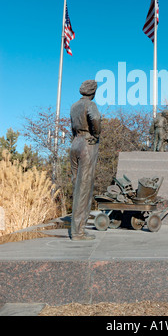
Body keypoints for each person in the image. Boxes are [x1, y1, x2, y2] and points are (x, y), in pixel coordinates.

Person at [70, 80, 101, 240]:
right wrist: (96, 135)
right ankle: (78, 232)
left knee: (77, 185)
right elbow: (95, 118)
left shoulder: (74, 106)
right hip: (87, 144)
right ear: (93, 92)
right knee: (84, 188)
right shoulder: (90, 105)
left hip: (75, 143)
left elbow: (72, 127)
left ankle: (76, 228)